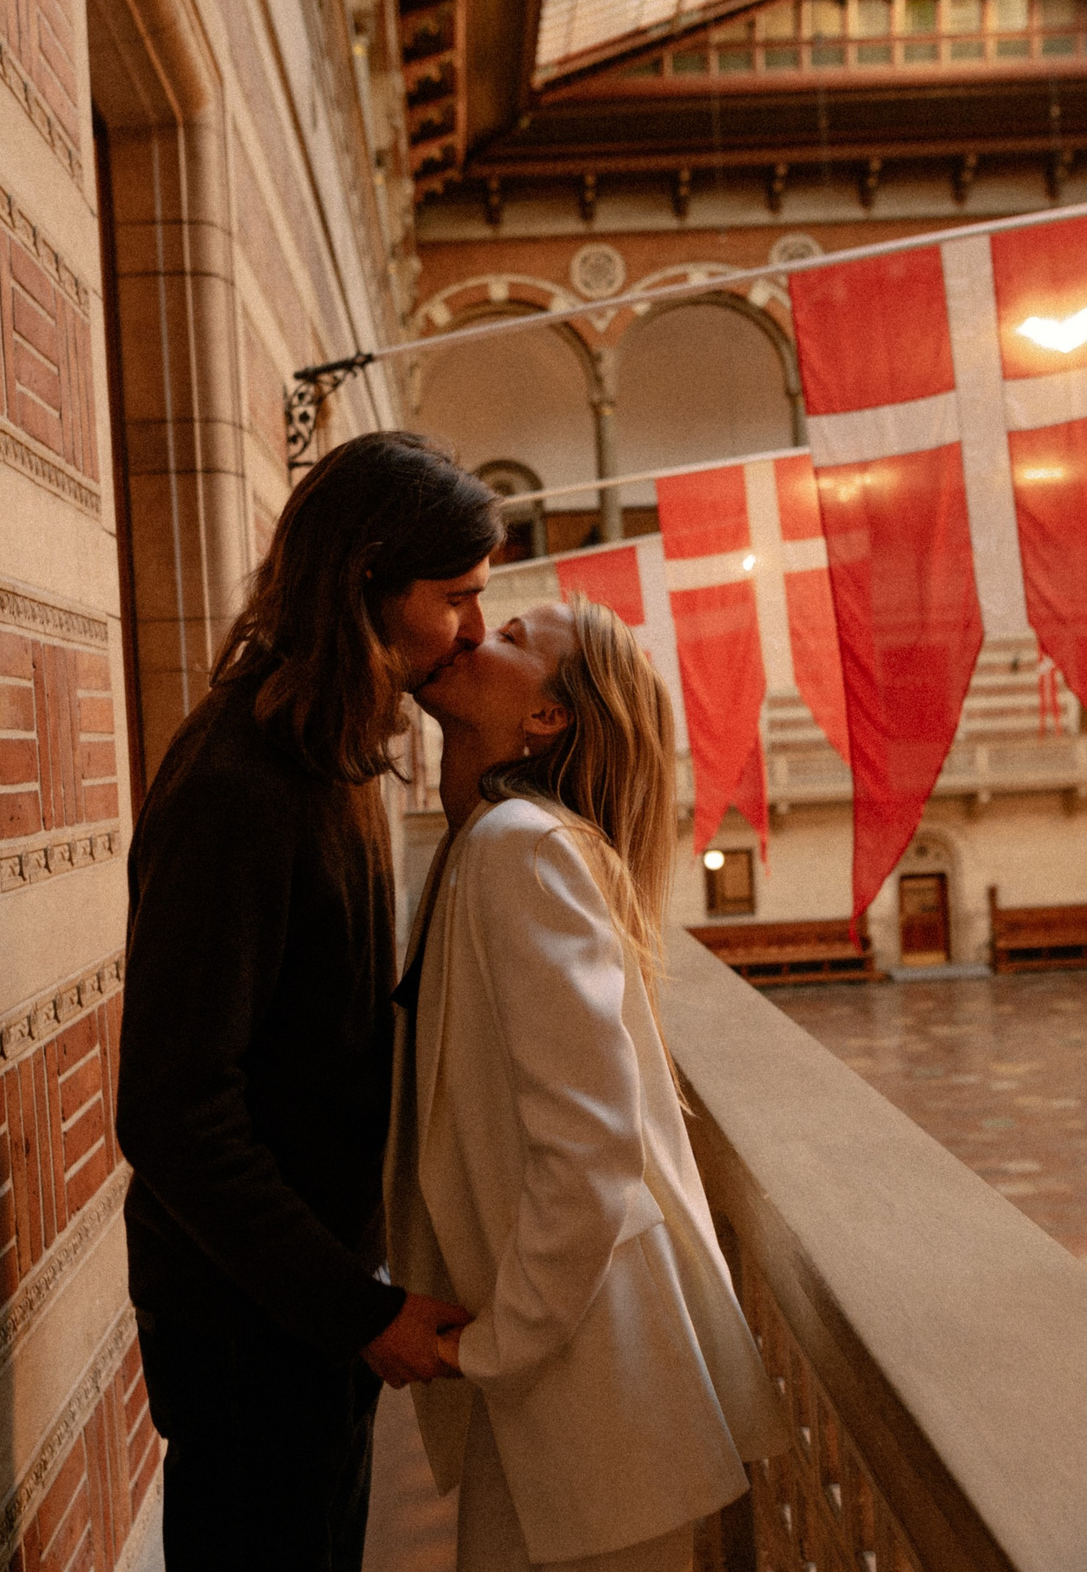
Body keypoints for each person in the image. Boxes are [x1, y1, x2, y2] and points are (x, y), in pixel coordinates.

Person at [116, 431, 502, 1571]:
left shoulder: (321, 751)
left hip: (298, 1309)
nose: (475, 630)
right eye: (455, 598)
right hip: (249, 1323)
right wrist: (354, 1309)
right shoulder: (243, 781)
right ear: (366, 580)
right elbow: (175, 1108)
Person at [389, 599, 793, 1572]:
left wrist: (475, 1349)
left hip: (591, 1392)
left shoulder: (520, 848)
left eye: (518, 637)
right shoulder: (494, 841)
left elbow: (591, 1146)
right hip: (565, 1391)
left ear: (548, 719)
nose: (477, 631)